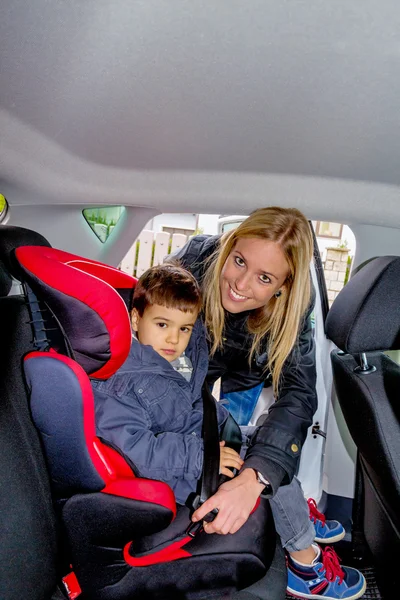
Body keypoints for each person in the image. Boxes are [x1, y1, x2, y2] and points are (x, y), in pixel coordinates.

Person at [168, 207, 366, 600]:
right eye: (239, 260)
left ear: (284, 287)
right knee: (232, 444)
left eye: (264, 278)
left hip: (245, 370)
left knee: (263, 451)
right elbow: (153, 327)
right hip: (191, 366)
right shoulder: (195, 260)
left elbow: (298, 393)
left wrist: (256, 478)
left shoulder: (295, 306)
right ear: (230, 246)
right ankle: (301, 545)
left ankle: (286, 503)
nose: (239, 284)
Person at [93, 263, 243, 505]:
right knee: (273, 486)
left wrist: (225, 426)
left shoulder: (181, 360)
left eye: (184, 328)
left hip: (208, 440)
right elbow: (135, 450)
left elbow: (192, 407)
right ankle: (304, 541)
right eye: (162, 324)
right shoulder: (122, 380)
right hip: (187, 473)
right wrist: (201, 456)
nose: (174, 339)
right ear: (135, 319)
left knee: (266, 458)